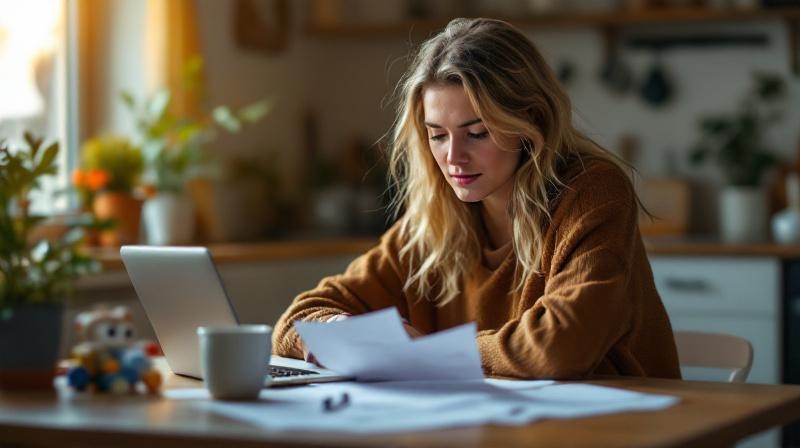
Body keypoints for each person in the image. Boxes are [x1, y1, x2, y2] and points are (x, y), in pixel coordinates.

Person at [273, 18, 680, 380]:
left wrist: (426, 352)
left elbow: (558, 347)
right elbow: (294, 323)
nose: (453, 157)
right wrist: (341, 330)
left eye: (477, 132)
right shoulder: (437, 220)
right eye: (437, 134)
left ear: (530, 121)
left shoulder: (593, 191)